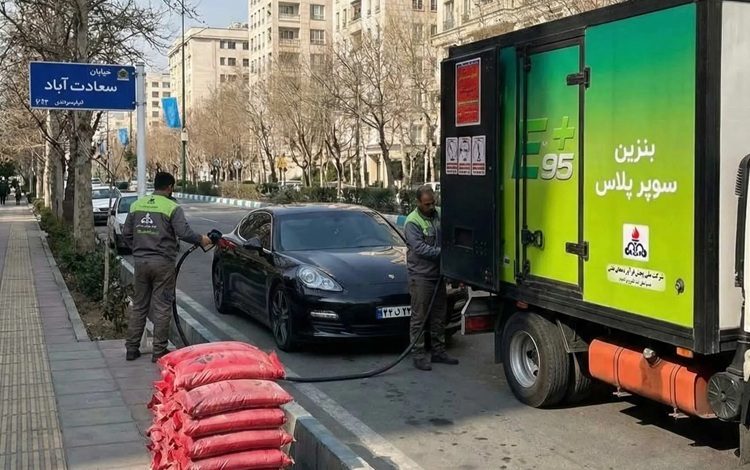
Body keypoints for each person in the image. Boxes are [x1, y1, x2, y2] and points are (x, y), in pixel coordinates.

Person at [122, 172, 211, 362]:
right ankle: (159, 351)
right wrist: (201, 239)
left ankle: (131, 348)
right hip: (163, 264)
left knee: (139, 306)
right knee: (162, 307)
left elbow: (126, 233)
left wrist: (138, 250)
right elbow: (183, 232)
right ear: (170, 187)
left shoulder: (137, 205)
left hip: (141, 263)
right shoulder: (172, 207)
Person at [404, 185, 459, 371]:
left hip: (438, 275)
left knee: (438, 316)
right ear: (418, 202)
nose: (431, 207)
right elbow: (420, 248)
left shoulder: (439, 214)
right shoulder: (412, 222)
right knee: (419, 318)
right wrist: (445, 252)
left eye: (433, 203)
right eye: (427, 204)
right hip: (421, 276)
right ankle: (418, 355)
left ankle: (438, 351)